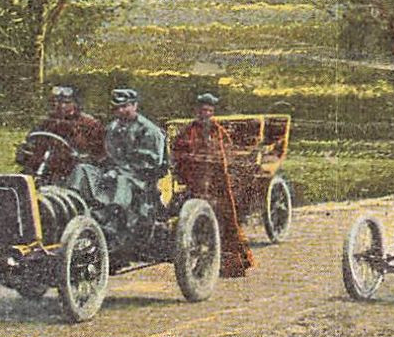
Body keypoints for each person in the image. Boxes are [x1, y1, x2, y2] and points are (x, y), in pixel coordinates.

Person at [65, 88, 168, 245]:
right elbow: (106, 154)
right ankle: (74, 209)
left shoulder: (148, 130)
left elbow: (149, 163)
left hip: (139, 178)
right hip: (111, 172)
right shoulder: (112, 128)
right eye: (117, 108)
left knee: (122, 181)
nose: (120, 111)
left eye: (124, 106)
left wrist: (117, 171)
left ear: (135, 106)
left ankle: (112, 225)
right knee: (82, 169)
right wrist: (90, 160)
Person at [170, 92, 254, 277]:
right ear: (196, 111)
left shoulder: (219, 132)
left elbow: (230, 156)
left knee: (227, 222)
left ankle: (233, 265)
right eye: (202, 110)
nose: (205, 114)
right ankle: (203, 266)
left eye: (209, 110)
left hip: (219, 186)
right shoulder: (188, 132)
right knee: (200, 225)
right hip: (196, 184)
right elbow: (178, 155)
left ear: (212, 112)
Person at [16, 84, 105, 180]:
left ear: (76, 103)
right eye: (57, 102)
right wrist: (25, 151)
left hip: (74, 172)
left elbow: (101, 154)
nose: (61, 106)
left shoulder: (90, 124)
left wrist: (83, 158)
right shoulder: (47, 122)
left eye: (67, 102)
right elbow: (33, 145)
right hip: (47, 169)